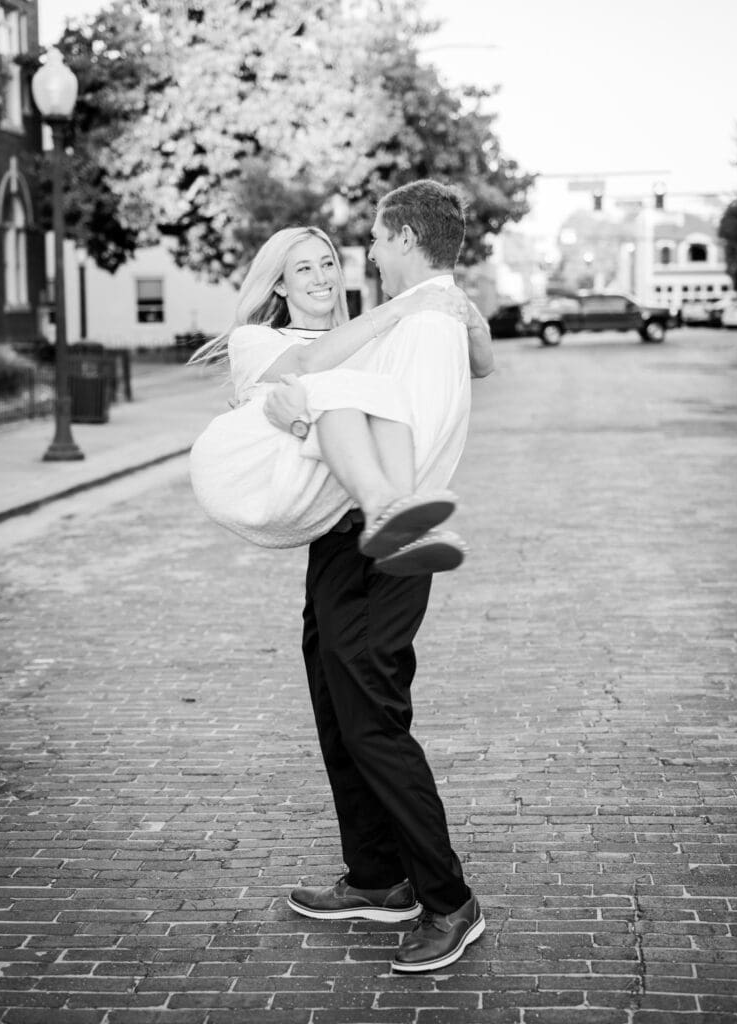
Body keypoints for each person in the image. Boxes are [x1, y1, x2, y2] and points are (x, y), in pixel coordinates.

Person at [263, 180, 493, 972]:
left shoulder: (429, 324)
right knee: (337, 705)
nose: (365, 251)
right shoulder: (425, 317)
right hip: (346, 537)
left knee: (371, 722)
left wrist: (310, 416)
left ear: (401, 236)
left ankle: (448, 901)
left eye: (371, 237)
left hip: (384, 536)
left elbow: (412, 435)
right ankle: (378, 876)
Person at [189, 226, 489, 572]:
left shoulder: (365, 338)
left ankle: (399, 519)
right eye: (304, 269)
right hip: (247, 473)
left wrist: (468, 317)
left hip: (319, 489)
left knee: (384, 393)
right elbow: (307, 362)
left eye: (328, 264)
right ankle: (385, 510)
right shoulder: (253, 339)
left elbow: (480, 366)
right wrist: (400, 307)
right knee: (340, 386)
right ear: (280, 285)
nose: (321, 277)